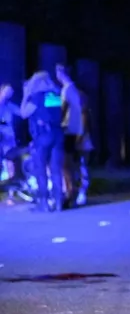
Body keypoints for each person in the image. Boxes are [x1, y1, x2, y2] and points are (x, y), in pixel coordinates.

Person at [20, 71, 64, 212]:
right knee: (56, 170)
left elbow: (23, 113)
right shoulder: (55, 95)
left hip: (42, 136)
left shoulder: (36, 97)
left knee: (41, 170)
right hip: (58, 135)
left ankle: (44, 203)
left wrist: (26, 95)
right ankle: (58, 203)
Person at [56, 63, 85, 208]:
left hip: (68, 130)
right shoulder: (73, 89)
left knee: (66, 164)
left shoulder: (67, 89)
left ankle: (70, 193)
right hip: (74, 130)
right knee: (71, 163)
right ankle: (73, 192)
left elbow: (63, 110)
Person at [0, 84, 21, 181]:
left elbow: (22, 112)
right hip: (2, 135)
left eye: (10, 93)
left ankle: (11, 182)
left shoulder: (10, 106)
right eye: (7, 92)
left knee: (10, 158)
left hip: (8, 136)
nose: (9, 94)